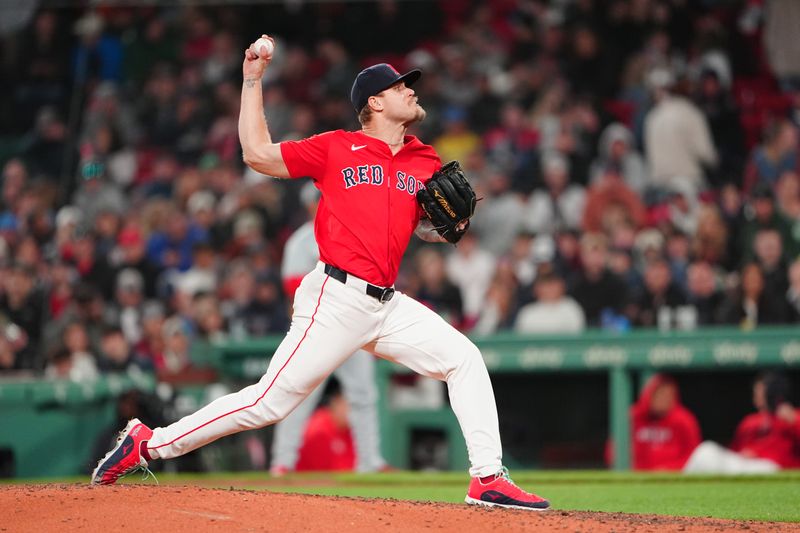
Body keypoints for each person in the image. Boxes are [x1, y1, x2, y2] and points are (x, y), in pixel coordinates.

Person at [91, 35, 550, 511]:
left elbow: (418, 230)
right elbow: (256, 153)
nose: (411, 91)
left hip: (386, 304)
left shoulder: (425, 159)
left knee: (464, 359)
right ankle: (149, 443)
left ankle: (487, 479)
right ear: (375, 102)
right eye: (400, 87)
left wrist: (447, 228)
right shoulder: (336, 148)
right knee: (267, 403)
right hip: (335, 298)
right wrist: (252, 80)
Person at [270, 182, 388, 476]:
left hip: (353, 328)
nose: (322, 205)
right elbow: (293, 288)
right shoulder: (300, 242)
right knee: (300, 394)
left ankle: (370, 461)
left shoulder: (349, 235)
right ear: (310, 206)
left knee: (363, 395)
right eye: (318, 201)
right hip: (318, 330)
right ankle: (283, 461)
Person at [684, 373, 800, 473]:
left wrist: (794, 421)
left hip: (773, 469)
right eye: (757, 389)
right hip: (746, 466)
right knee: (707, 450)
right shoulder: (750, 421)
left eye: (763, 389)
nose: (759, 394)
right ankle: (681, 487)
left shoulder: (792, 416)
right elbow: (735, 450)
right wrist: (743, 454)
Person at [629, 374, 701, 471]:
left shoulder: (684, 420)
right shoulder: (634, 416)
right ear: (649, 394)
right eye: (660, 394)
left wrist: (669, 469)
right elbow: (612, 452)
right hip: (636, 478)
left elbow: (694, 457)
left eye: (669, 395)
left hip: (673, 479)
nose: (664, 399)